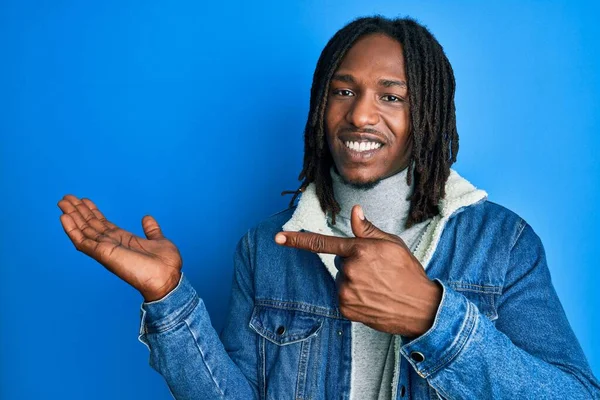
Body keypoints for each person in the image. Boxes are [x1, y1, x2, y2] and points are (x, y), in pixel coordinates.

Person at [57, 16, 600, 400]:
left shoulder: (502, 244)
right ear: (321, 105)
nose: (361, 114)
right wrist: (168, 298)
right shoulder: (266, 247)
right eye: (343, 92)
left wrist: (432, 317)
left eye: (392, 96)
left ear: (428, 116)